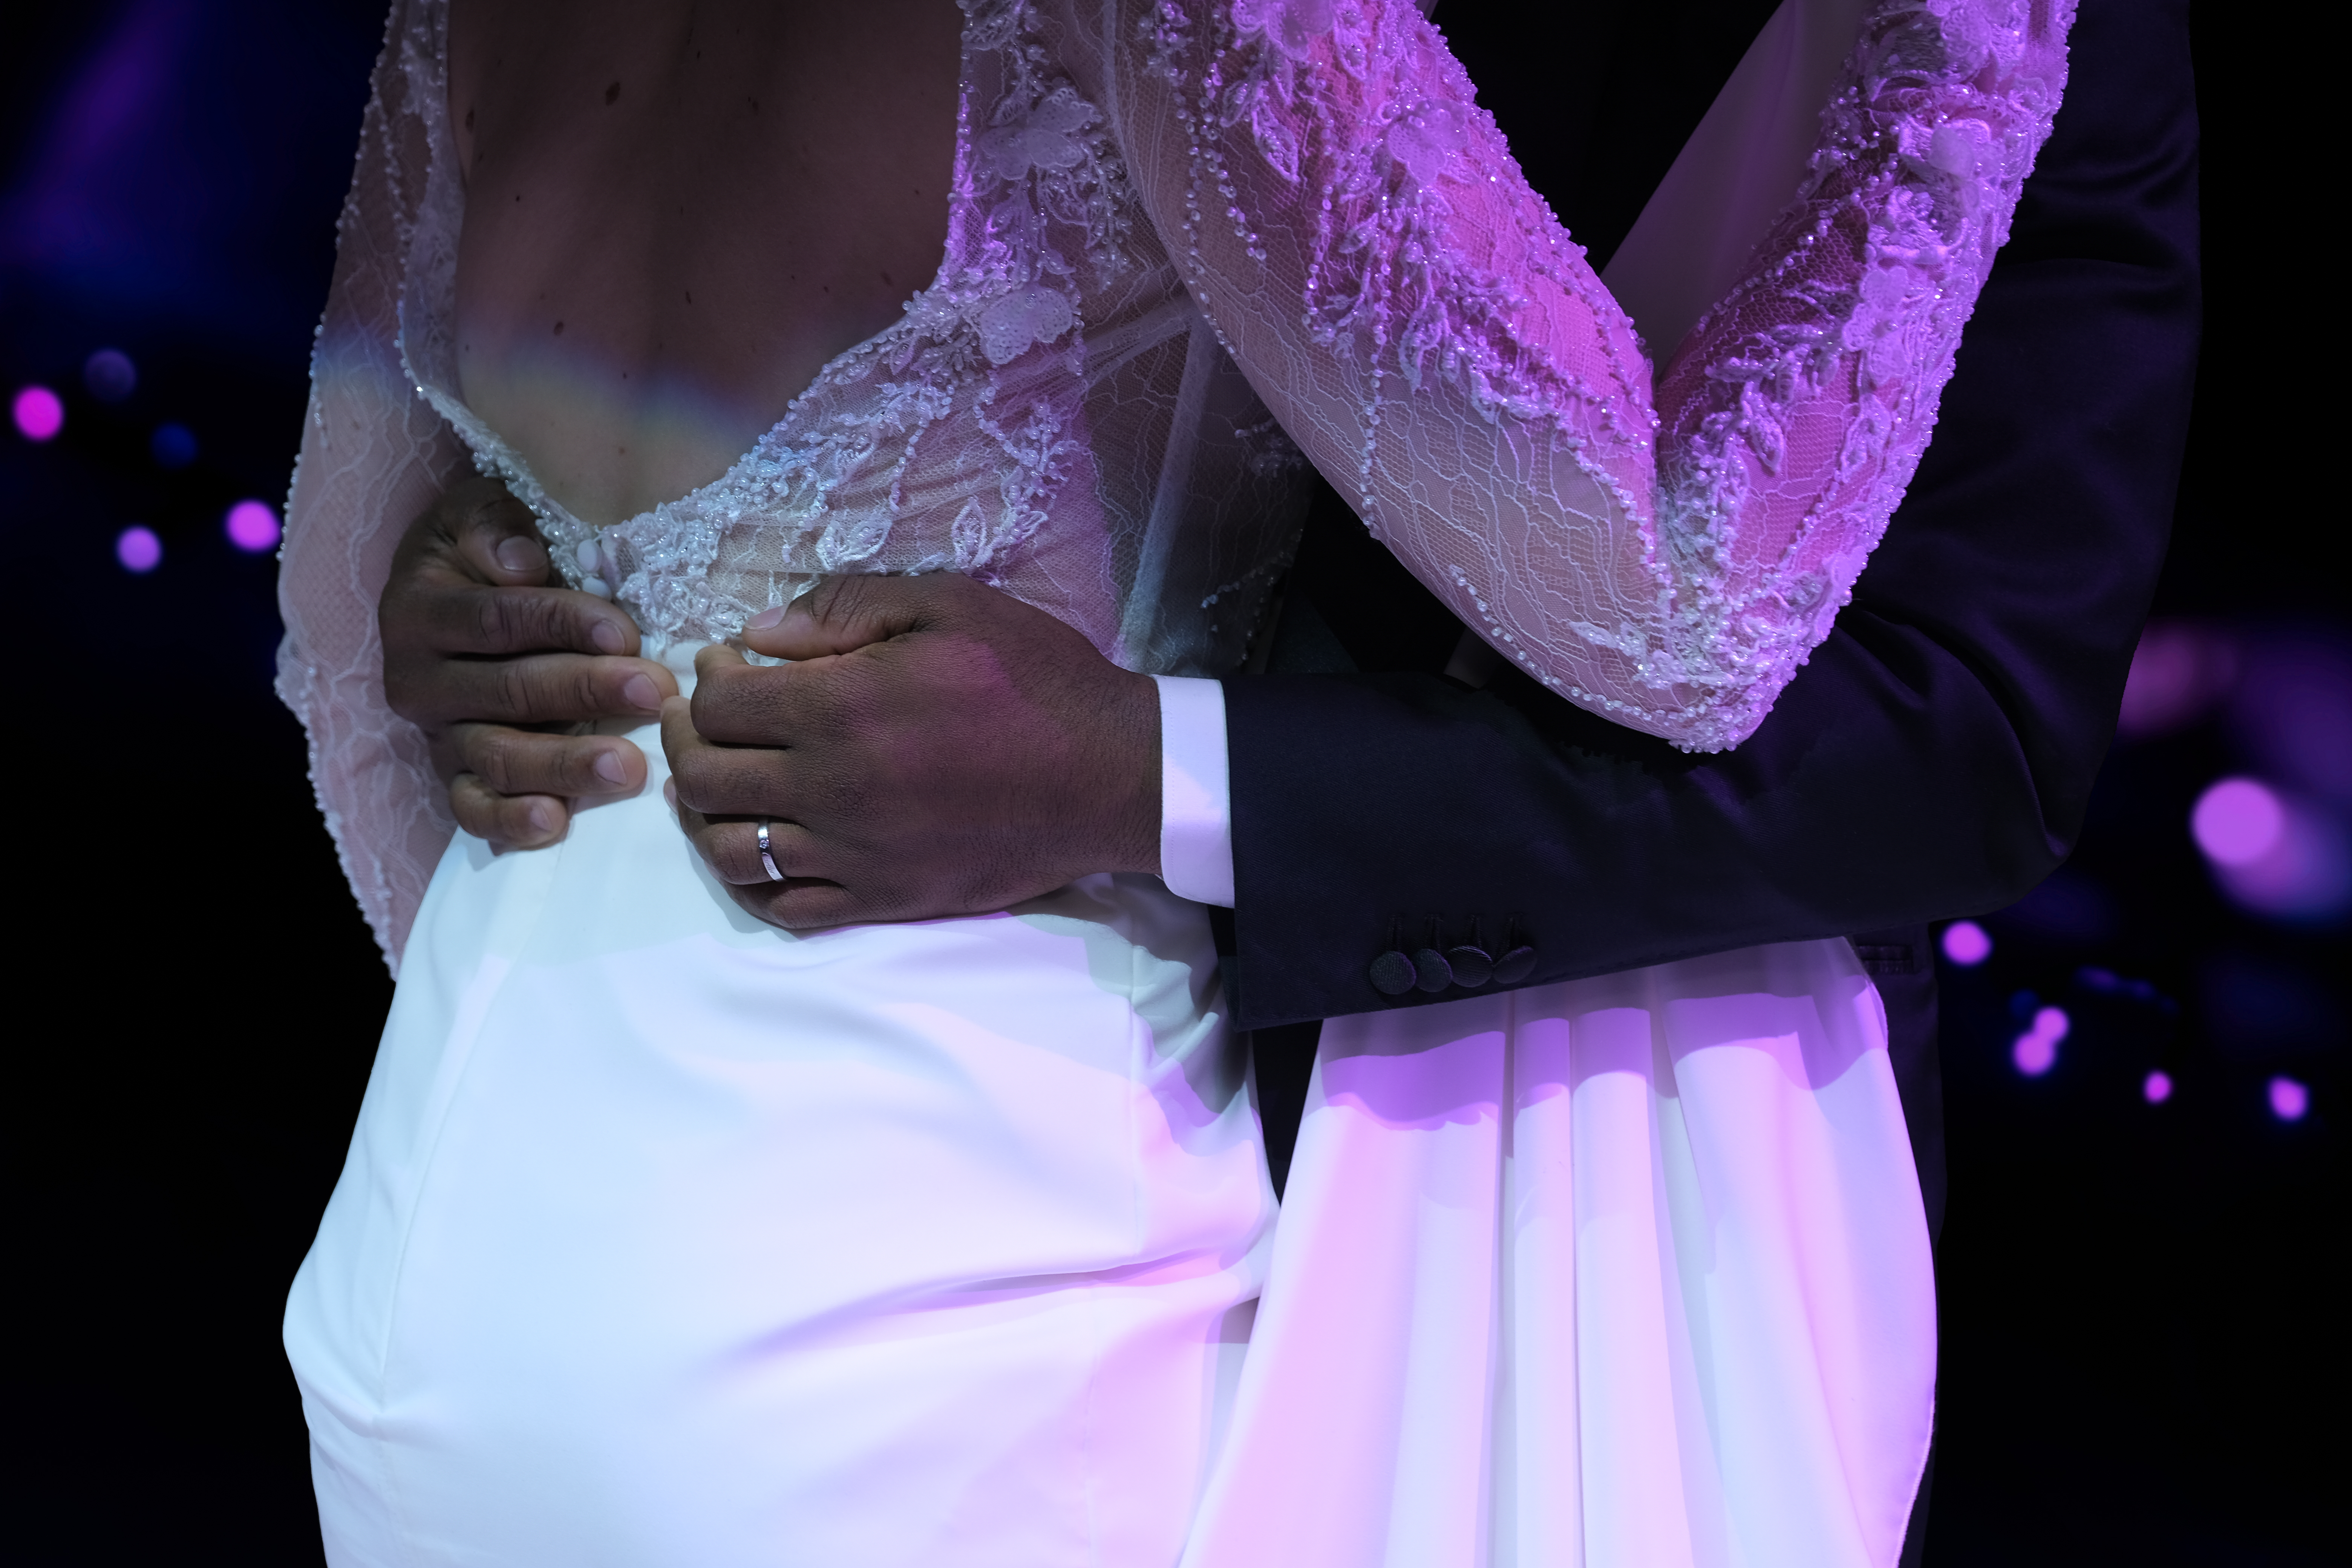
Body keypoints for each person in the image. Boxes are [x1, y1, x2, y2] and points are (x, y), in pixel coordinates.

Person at [278, 0, 2125, 1562]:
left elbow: (348, 683)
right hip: (922, 1263)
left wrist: (566, 589)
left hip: (437, 1243)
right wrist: (1958, 65)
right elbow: (1690, 615)